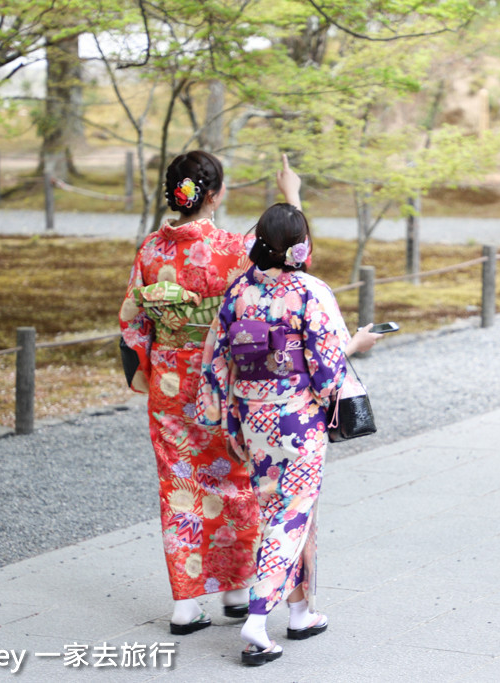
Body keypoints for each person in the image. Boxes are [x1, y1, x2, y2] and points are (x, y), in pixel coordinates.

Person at [198, 155, 381, 666]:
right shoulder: (311, 292)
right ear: (302, 248)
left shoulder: (239, 294)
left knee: (280, 511)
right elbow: (325, 361)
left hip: (253, 423)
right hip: (298, 422)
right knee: (291, 514)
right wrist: (357, 344)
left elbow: (216, 362)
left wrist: (224, 420)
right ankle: (259, 621)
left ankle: (301, 613)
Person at [119, 150, 259, 635]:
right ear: (215, 195)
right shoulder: (234, 248)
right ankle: (238, 592)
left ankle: (184, 604)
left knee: (180, 488)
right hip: (222, 383)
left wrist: (147, 368)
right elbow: (255, 314)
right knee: (234, 479)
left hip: (170, 385)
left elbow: (133, 321)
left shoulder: (151, 250)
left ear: (175, 194)